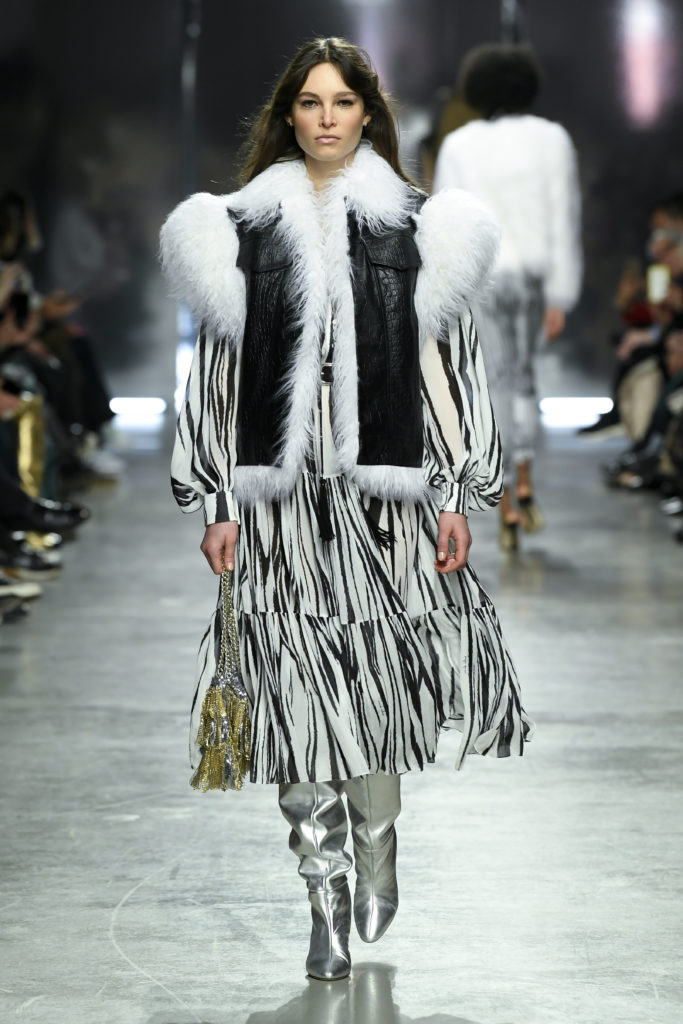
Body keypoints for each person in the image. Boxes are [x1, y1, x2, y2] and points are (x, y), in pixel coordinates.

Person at [160, 37, 534, 981]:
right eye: (309, 102)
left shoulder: (418, 227)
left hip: (384, 500)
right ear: (287, 115)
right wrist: (214, 499)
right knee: (290, 696)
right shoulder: (236, 228)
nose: (325, 118)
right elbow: (216, 376)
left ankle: (375, 835)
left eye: (342, 102)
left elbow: (447, 370)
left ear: (368, 114)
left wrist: (458, 491)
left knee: (371, 688)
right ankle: (321, 889)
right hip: (277, 502)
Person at [433, 43, 583, 550]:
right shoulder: (552, 139)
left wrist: (446, 293)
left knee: (488, 381)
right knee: (524, 379)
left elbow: (448, 223)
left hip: (482, 276)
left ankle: (502, 501)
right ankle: (522, 478)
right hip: (533, 277)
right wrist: (561, 293)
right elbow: (563, 217)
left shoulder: (460, 145)